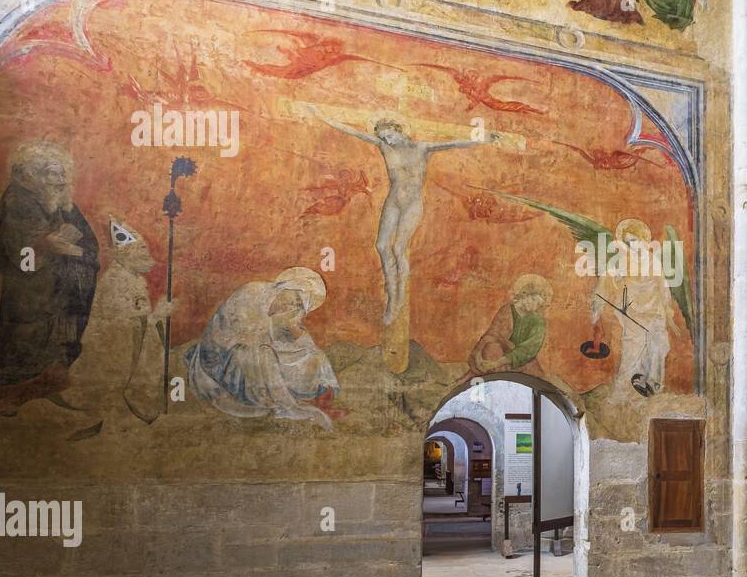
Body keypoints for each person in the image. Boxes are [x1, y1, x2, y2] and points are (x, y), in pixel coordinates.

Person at [314, 109, 497, 326]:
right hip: (393, 201)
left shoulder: (422, 148)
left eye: (389, 135)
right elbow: (353, 132)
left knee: (398, 248)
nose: (387, 140)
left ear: (399, 131)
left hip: (411, 204)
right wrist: (323, 116)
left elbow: (455, 143)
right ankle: (391, 293)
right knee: (382, 246)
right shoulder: (384, 147)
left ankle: (397, 299)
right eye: (383, 137)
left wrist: (483, 139)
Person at [0, 141, 99, 412]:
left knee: (57, 342)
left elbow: (88, 243)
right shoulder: (19, 199)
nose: (59, 181)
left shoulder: (62, 203)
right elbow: (18, 248)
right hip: (31, 291)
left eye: (62, 174)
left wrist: (77, 252)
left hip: (60, 289)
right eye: (51, 174)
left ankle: (45, 390)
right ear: (34, 175)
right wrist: (46, 244)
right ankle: (3, 397)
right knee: (24, 338)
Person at [186, 267, 340, 429]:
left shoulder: (291, 311)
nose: (292, 305)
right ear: (285, 287)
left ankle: (317, 399)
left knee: (314, 356)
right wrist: (267, 337)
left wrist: (292, 326)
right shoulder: (251, 293)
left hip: (260, 348)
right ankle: (280, 402)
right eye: (293, 298)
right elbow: (230, 333)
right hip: (222, 354)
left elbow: (302, 342)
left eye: (299, 304)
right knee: (262, 353)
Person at [62, 217, 172, 425]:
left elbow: (137, 319)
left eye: (144, 248)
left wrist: (154, 318)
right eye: (140, 249)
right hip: (110, 349)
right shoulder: (115, 280)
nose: (146, 254)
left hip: (130, 344)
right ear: (126, 254)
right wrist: (156, 317)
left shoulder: (134, 278)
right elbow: (120, 326)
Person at [591, 219, 682, 397]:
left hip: (655, 313)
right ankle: (623, 391)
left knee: (657, 348)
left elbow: (663, 288)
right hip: (634, 314)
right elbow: (611, 279)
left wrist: (668, 314)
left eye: (635, 241)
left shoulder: (654, 262)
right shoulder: (623, 262)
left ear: (644, 240)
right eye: (628, 242)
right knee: (632, 351)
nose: (632, 246)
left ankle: (652, 386)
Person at [468, 274, 553, 378]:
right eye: (534, 300)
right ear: (525, 295)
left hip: (520, 361)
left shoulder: (538, 322)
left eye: (539, 304)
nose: (535, 307)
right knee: (492, 348)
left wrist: (498, 363)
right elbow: (492, 334)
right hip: (496, 354)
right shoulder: (506, 310)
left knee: (535, 381)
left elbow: (528, 350)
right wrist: (477, 353)